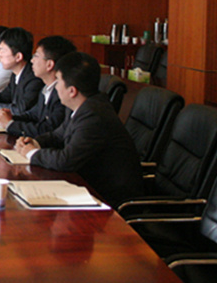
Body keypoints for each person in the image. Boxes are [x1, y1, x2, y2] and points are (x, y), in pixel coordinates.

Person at [15, 52, 143, 209]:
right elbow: (58, 135)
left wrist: (32, 153)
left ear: (72, 91)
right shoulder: (80, 106)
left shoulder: (94, 115)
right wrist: (34, 142)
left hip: (109, 199)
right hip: (87, 186)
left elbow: (66, 160)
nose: (56, 87)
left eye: (58, 81)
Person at [0, 35, 76, 137]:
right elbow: (33, 115)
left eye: (36, 56)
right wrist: (11, 117)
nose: (32, 60)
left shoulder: (62, 94)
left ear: (49, 65)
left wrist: (10, 124)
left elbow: (47, 129)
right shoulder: (46, 88)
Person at [0, 27, 43, 115]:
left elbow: (20, 109)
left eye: (3, 50)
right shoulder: (15, 74)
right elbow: (4, 97)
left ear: (18, 57)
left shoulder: (33, 78)